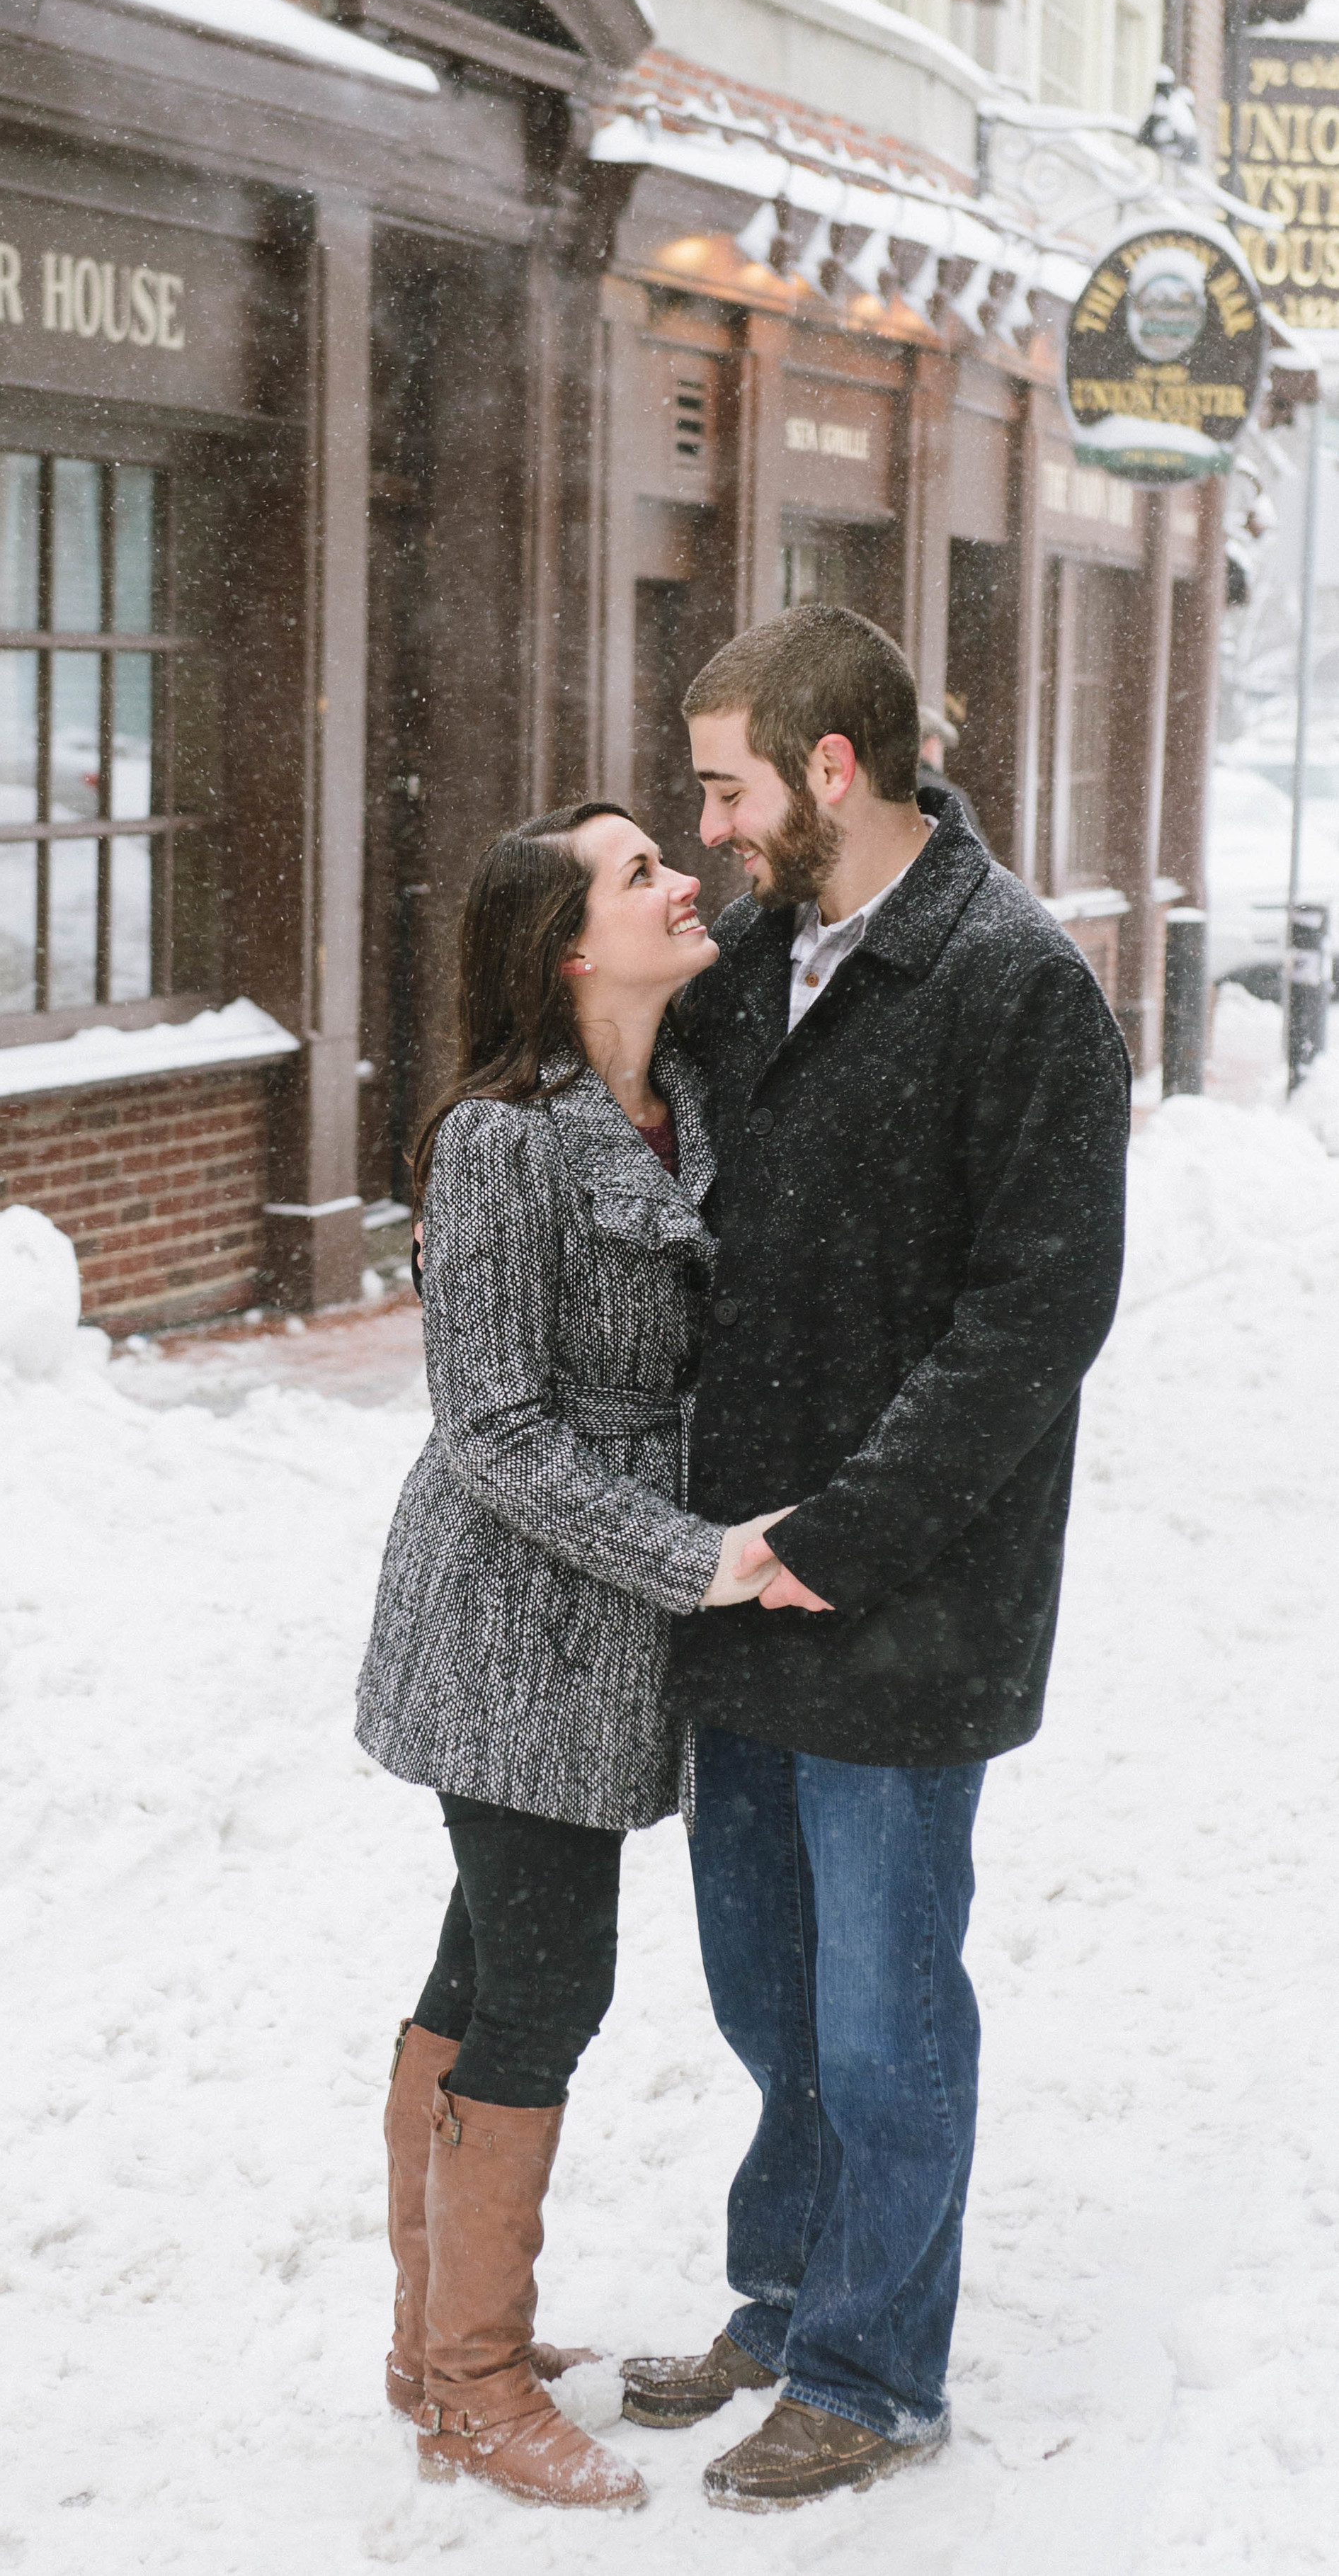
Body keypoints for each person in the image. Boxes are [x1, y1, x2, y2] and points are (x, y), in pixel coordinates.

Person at [619, 606, 1131, 2511]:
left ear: (830, 769)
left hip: (904, 1598)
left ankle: (868, 2366)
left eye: (725, 782)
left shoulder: (1013, 986)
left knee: (881, 2002)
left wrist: (848, 1533)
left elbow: (1033, 1314)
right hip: (741, 1571)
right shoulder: (753, 961)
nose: (708, 820)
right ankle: (781, 2290)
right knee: (766, 1983)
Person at [355, 801, 773, 2513]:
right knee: (547, 1981)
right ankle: (468, 2377)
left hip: (601, 1618)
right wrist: (699, 1558)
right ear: (569, 951)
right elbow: (497, 1429)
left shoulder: (680, 1105)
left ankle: (432, 2338)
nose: (684, 879)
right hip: (509, 1617)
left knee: (482, 1968)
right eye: (637, 872)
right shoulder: (500, 1142)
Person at [916, 701, 985, 843]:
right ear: (932, 743)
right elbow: (978, 858)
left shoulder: (882, 789)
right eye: (941, 746)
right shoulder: (945, 795)